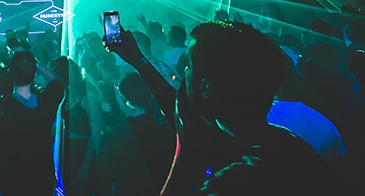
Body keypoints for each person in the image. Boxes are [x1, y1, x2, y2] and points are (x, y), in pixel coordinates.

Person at [108, 20, 332, 195]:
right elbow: (176, 104)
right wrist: (138, 60)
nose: (184, 72)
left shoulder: (234, 182)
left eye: (189, 66)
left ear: (205, 87)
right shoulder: (286, 143)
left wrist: (182, 150)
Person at [0, 50, 64, 196]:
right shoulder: (46, 102)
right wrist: (36, 64)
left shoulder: (3, 106)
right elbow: (57, 83)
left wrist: (2, 73)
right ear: (35, 74)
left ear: (12, 75)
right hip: (42, 175)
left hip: (13, 178)